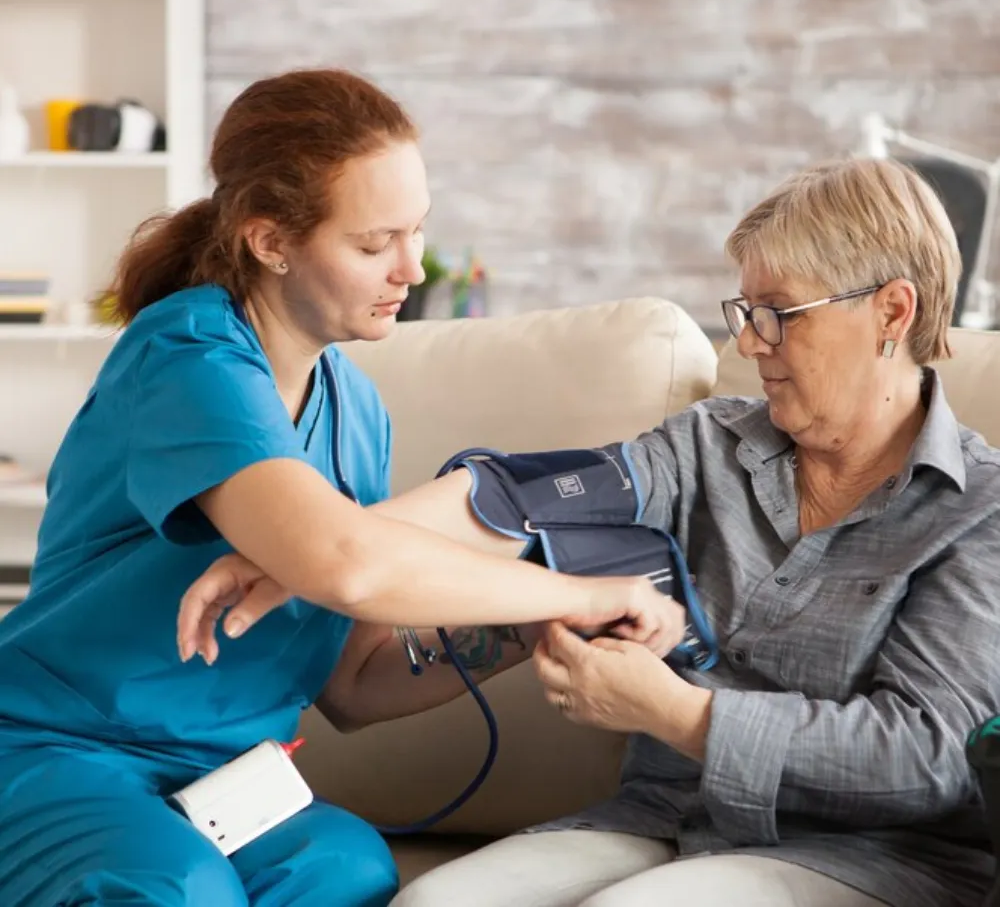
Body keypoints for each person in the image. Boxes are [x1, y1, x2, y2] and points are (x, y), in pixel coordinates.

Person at [182, 157, 1000, 907]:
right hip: (661, 818)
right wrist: (310, 555)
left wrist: (679, 714)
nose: (750, 343)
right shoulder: (710, 443)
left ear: (893, 310)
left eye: (780, 314)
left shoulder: (979, 512)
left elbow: (930, 757)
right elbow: (512, 501)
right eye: (746, 311)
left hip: (868, 856)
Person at [0, 69, 683, 907]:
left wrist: (532, 624)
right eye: (373, 243)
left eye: (417, 232)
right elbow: (343, 563)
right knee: (174, 890)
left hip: (223, 781)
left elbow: (354, 683)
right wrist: (572, 589)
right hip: (63, 751)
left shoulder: (354, 406)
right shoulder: (187, 358)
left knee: (345, 866)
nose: (411, 266)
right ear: (271, 241)